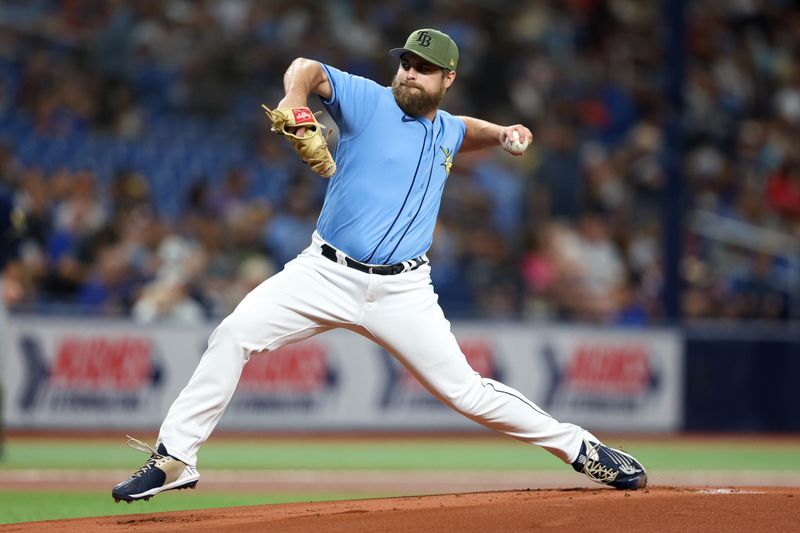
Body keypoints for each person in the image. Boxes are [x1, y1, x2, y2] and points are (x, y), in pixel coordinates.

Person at [112, 28, 646, 503]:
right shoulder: (368, 101)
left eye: (424, 69)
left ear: (447, 79)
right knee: (233, 334)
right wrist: (296, 101)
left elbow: (466, 128)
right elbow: (306, 69)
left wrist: (505, 132)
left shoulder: (447, 131)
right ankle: (175, 458)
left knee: (468, 392)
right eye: (406, 64)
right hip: (323, 273)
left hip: (404, 292)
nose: (411, 74)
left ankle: (583, 448)